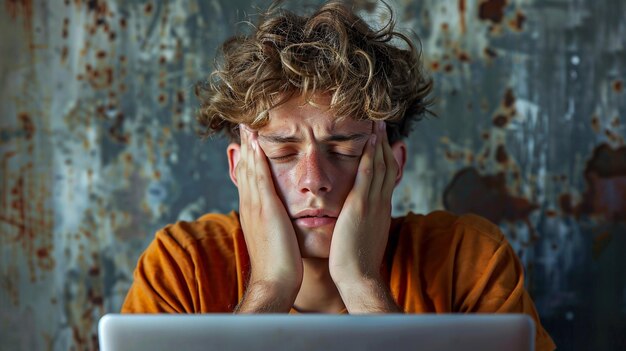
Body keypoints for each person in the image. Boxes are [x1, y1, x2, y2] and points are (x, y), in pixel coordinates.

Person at [121, 1, 555, 350]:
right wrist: (270, 289)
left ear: (394, 165)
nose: (314, 179)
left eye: (344, 147)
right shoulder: (182, 266)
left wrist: (363, 285)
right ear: (239, 167)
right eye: (283, 150)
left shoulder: (469, 259)